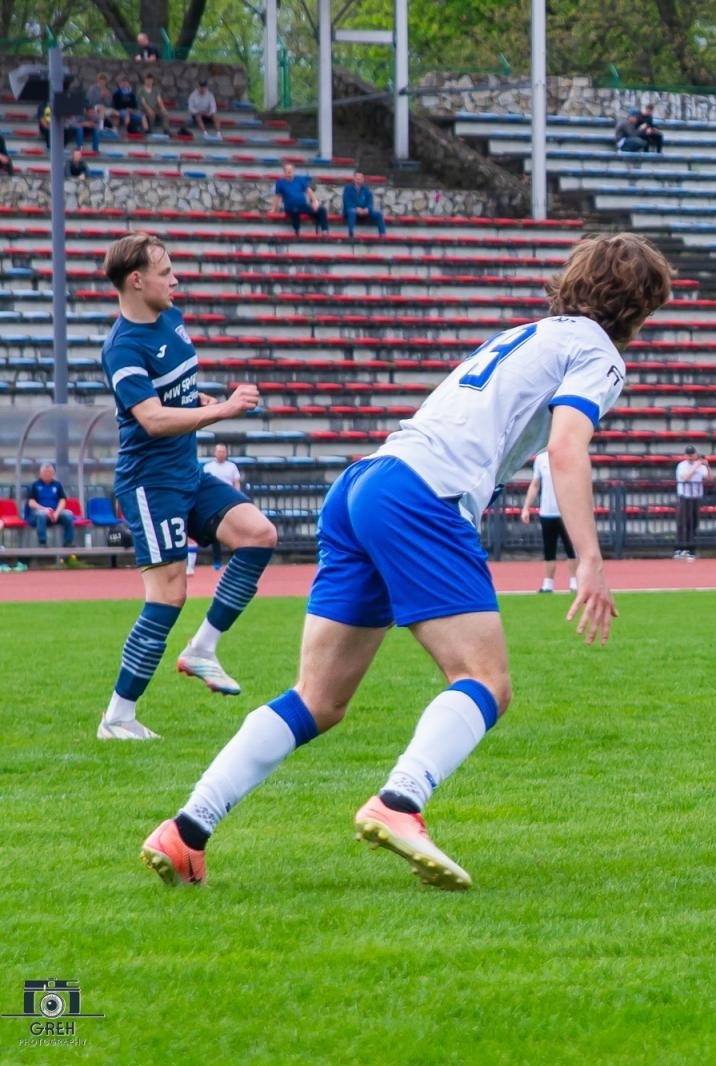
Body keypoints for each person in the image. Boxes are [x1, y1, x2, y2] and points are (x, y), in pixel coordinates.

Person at [138, 232, 676, 890]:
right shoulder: (597, 351)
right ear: (640, 308)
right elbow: (566, 447)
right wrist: (588, 558)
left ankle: (186, 829)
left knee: (318, 700)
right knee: (485, 681)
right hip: (424, 495)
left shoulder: (529, 333)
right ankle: (400, 802)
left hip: (365, 482)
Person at [96, 233, 279, 742]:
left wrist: (204, 400)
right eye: (165, 272)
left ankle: (202, 649)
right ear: (137, 280)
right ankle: (118, 717)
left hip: (187, 472)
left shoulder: (172, 318)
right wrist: (224, 411)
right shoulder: (122, 348)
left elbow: (175, 393)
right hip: (150, 484)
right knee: (169, 595)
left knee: (259, 535)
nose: (175, 280)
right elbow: (152, 419)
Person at [519, 450, 576, 592]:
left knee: (571, 549)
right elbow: (535, 484)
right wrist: (526, 507)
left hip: (566, 512)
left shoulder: (567, 455)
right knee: (549, 549)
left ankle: (574, 581)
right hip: (547, 511)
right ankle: (548, 583)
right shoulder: (540, 459)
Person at [195, 443, 243, 572]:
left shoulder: (231, 467)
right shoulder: (208, 467)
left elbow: (236, 483)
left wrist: (238, 498)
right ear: (215, 453)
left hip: (229, 502)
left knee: (234, 532)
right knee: (215, 533)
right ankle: (217, 561)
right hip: (214, 503)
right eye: (219, 451)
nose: (221, 454)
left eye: (223, 451)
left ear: (226, 453)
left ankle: (235, 561)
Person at [26, 462, 77, 549]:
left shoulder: (57, 485)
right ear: (41, 473)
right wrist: (44, 509)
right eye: (45, 472)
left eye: (50, 472)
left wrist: (57, 513)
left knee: (68, 515)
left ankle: (68, 542)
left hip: (55, 512)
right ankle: (43, 542)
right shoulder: (34, 485)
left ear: (53, 474)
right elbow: (31, 503)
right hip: (39, 512)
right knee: (41, 515)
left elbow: (62, 500)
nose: (47, 474)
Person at [673, 445, 710, 560]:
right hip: (685, 497)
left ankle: (690, 549)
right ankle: (680, 548)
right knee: (683, 523)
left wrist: (707, 466)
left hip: (696, 497)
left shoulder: (700, 466)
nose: (690, 457)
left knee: (693, 523)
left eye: (692, 455)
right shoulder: (682, 465)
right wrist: (695, 466)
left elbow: (709, 478)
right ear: (685, 456)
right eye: (688, 455)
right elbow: (685, 478)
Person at [273, 162, 329, 236]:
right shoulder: (280, 182)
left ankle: (324, 230)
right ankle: (297, 231)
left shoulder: (300, 179)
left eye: (291, 170)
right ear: (284, 172)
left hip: (302, 205)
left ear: (293, 171)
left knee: (321, 210)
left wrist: (315, 202)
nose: (289, 172)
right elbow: (277, 197)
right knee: (295, 210)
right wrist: (274, 209)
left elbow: (309, 191)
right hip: (290, 207)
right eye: (287, 170)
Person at [341, 172, 387, 239]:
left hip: (364, 211)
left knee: (378, 213)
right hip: (352, 211)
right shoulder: (348, 189)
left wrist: (367, 209)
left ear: (363, 180)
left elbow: (370, 202)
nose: (359, 180)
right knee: (352, 211)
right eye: (357, 178)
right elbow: (347, 202)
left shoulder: (366, 189)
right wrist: (356, 208)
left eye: (361, 178)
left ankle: (382, 235)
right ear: (354, 179)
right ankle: (351, 234)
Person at [137, 72, 170, 137]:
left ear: (152, 81)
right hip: (144, 109)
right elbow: (143, 102)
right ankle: (150, 129)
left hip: (154, 108)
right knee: (151, 114)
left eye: (150, 80)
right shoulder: (141, 89)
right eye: (147, 80)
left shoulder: (155, 90)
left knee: (165, 114)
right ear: (145, 80)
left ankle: (166, 130)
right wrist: (149, 109)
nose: (149, 81)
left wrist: (163, 108)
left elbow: (159, 100)